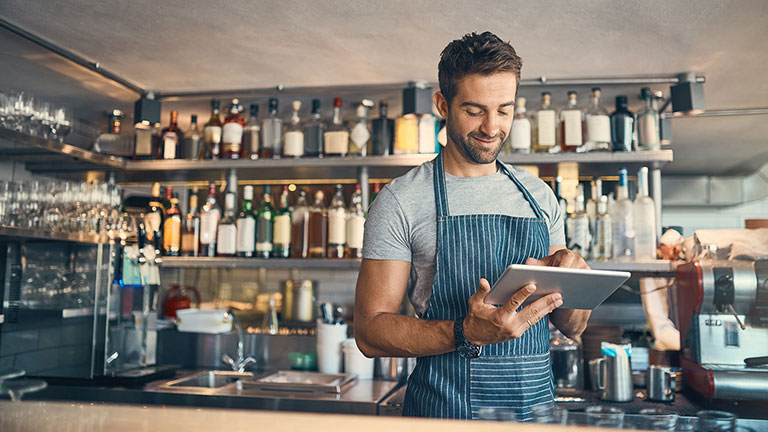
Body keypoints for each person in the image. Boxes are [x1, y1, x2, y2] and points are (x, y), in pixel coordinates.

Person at [353, 31, 591, 421]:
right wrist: (466, 332)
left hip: (534, 416)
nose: (492, 127)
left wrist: (577, 284)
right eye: (474, 110)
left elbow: (571, 326)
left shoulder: (539, 196)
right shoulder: (401, 200)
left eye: (504, 110)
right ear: (442, 104)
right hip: (444, 414)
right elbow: (369, 332)